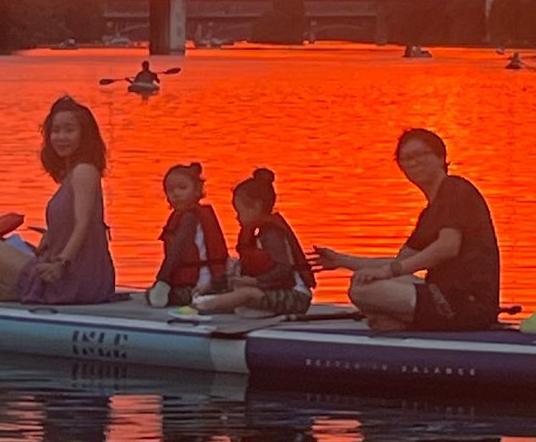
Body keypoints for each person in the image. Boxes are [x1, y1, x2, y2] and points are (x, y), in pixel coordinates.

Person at [318, 128, 501, 333]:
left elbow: (447, 247)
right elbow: (400, 262)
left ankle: (401, 322)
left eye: (420, 155)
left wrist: (389, 272)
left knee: (363, 290)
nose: (413, 163)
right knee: (364, 279)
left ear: (441, 158)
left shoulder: (455, 189)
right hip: (440, 293)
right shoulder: (430, 213)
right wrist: (342, 261)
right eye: (406, 159)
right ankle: (401, 321)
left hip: (466, 303)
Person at [0, 96, 116, 305]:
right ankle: (21, 290)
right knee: (13, 246)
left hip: (74, 276)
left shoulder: (85, 171)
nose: (61, 137)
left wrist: (61, 263)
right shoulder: (71, 175)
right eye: (55, 131)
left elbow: (82, 224)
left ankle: (24, 291)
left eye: (69, 130)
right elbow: (68, 226)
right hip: (65, 266)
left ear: (85, 135)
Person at [192, 168, 314, 316]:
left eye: (239, 211)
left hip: (295, 297)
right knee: (237, 285)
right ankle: (218, 301)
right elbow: (243, 269)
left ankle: (201, 307)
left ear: (256, 206)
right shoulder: (257, 235)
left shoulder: (271, 234)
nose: (237, 217)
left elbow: (284, 269)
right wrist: (213, 284)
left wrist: (256, 282)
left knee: (247, 293)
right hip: (270, 291)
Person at [149, 161, 230, 307]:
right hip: (206, 282)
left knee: (151, 295)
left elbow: (177, 250)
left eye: (182, 188)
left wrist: (163, 280)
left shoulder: (189, 217)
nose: (176, 193)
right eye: (170, 190)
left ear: (197, 190)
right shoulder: (188, 215)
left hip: (198, 283)